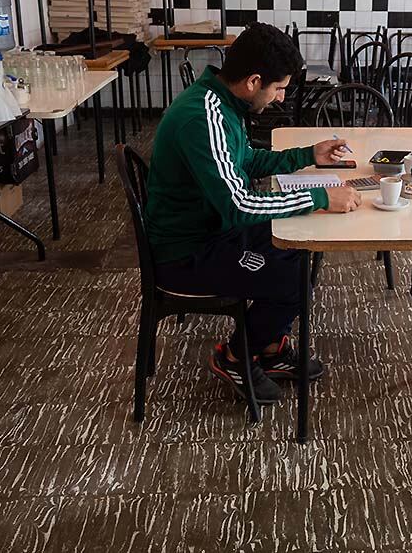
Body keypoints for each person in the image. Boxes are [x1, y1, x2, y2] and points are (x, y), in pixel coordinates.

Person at [145, 23, 362, 405]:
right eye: (278, 89)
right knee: (292, 281)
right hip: (186, 251)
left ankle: (271, 348)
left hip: (211, 227)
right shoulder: (204, 117)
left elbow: (244, 162)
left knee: (297, 249)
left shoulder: (222, 102)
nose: (279, 99)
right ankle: (234, 356)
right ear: (253, 81)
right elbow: (239, 204)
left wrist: (307, 155)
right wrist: (320, 197)